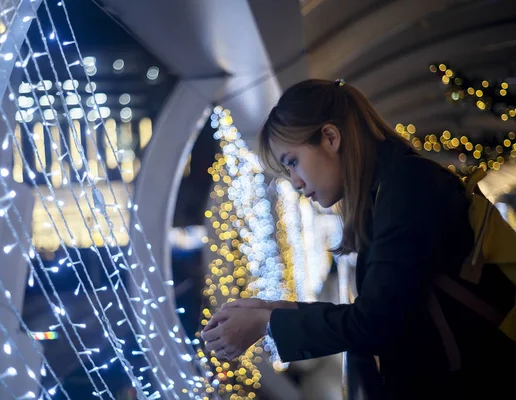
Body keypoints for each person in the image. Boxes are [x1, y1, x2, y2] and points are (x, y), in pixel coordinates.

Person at [201, 79, 516, 399]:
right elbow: (388, 305)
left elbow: (376, 321)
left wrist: (266, 323)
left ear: (330, 137)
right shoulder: (391, 187)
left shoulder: (407, 187)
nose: (295, 182)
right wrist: (271, 308)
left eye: (292, 161)